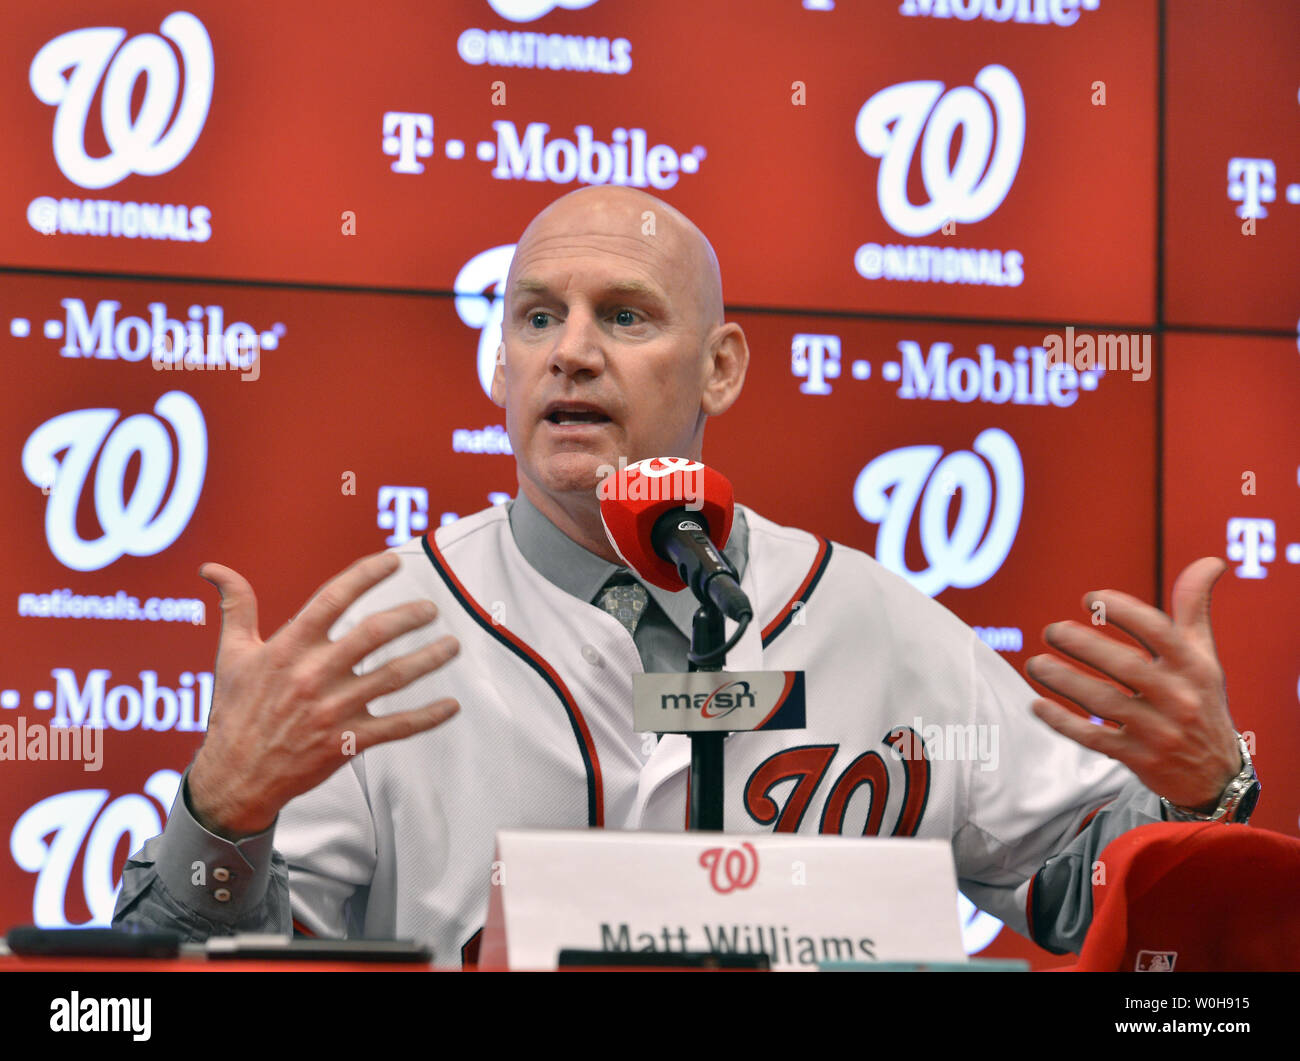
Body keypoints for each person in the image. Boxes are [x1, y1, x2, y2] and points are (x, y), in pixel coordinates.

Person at [113, 186, 1253, 964]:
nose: (570, 350)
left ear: (720, 365)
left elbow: (1087, 895)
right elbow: (158, 986)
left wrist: (1205, 803)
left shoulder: (876, 622)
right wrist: (224, 811)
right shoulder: (382, 635)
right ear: (500, 363)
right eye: (536, 316)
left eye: (624, 315)